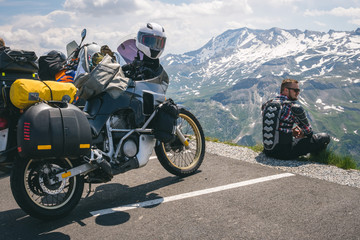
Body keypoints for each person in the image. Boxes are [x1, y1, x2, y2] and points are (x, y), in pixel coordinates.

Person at [262, 78, 330, 160]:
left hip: (268, 151)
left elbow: (275, 126)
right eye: (295, 90)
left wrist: (290, 132)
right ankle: (316, 158)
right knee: (324, 137)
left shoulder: (267, 104)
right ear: (286, 90)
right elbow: (309, 132)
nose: (298, 93)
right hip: (285, 153)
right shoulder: (292, 107)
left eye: (298, 90)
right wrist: (302, 133)